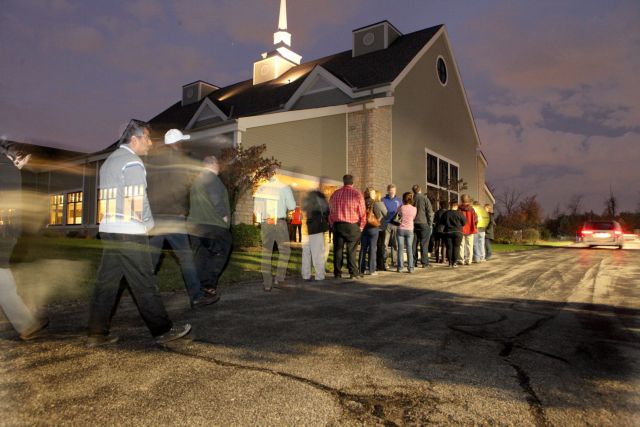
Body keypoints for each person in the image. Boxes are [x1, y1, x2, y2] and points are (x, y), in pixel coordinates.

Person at [87, 121, 191, 347]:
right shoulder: (133, 162)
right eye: (146, 138)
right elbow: (137, 199)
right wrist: (148, 224)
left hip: (110, 230)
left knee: (106, 282)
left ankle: (97, 332)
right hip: (130, 230)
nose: (150, 143)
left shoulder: (109, 162)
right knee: (144, 281)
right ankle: (162, 330)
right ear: (134, 140)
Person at [146, 129, 217, 307]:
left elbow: (146, 187)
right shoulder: (180, 162)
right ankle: (196, 296)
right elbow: (183, 188)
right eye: (181, 142)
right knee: (186, 259)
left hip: (155, 217)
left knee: (151, 261)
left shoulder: (152, 161)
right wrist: (183, 210)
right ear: (177, 143)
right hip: (173, 218)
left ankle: (146, 299)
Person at [0, 142, 49, 340]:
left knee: (4, 283)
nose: (26, 163)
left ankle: (27, 325)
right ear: (17, 156)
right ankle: (27, 325)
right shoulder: (10, 171)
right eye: (26, 159)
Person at [188, 155, 232, 300]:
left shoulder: (197, 179)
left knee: (202, 256)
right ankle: (208, 285)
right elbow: (215, 197)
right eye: (218, 164)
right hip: (213, 225)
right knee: (221, 252)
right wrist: (224, 216)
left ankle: (199, 288)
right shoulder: (212, 177)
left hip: (196, 226)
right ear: (214, 164)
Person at [254, 171, 296, 291]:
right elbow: (292, 206)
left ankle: (267, 283)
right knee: (285, 251)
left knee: (266, 252)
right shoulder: (284, 187)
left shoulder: (261, 188)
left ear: (266, 175)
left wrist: (260, 222)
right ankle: (279, 278)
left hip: (266, 222)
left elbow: (257, 209)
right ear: (276, 174)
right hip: (279, 223)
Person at [328, 174, 366, 279]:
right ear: (352, 182)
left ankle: (337, 273)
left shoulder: (335, 194)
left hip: (338, 225)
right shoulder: (357, 194)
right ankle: (353, 272)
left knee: (338, 250)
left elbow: (330, 211)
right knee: (352, 250)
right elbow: (362, 213)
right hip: (352, 226)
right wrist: (361, 227)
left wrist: (332, 223)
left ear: (343, 181)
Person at [301, 183, 330, 281]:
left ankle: (305, 274)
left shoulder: (306, 201)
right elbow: (327, 211)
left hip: (305, 229)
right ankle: (319, 275)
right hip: (316, 229)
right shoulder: (319, 200)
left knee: (306, 253)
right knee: (317, 254)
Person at [359, 188, 387, 275]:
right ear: (371, 194)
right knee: (372, 248)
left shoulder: (361, 202)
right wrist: (376, 221)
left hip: (363, 228)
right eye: (373, 193)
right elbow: (379, 215)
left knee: (363, 248)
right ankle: (371, 270)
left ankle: (361, 269)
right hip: (373, 228)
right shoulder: (374, 203)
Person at [377, 184, 402, 270]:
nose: (392, 192)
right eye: (390, 190)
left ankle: (394, 262)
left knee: (395, 244)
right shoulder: (383, 200)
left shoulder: (399, 201)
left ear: (395, 191)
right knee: (385, 244)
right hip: (386, 224)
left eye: (393, 190)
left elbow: (401, 212)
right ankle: (384, 261)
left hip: (395, 224)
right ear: (388, 191)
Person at [411, 185, 434, 268]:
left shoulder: (411, 199)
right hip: (424, 223)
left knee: (414, 244)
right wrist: (430, 224)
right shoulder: (425, 199)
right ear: (420, 190)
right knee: (424, 243)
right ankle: (424, 263)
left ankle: (413, 262)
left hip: (413, 224)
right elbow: (429, 212)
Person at [396, 192, 417, 273]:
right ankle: (410, 268)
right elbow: (413, 218)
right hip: (410, 230)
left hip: (401, 229)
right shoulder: (414, 209)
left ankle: (400, 267)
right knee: (409, 249)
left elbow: (398, 215)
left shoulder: (401, 207)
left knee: (400, 249)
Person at [441, 201, 466, 268]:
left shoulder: (446, 213)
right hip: (458, 232)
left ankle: (449, 263)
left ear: (450, 205)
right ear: (456, 206)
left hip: (448, 232)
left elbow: (442, 222)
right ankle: (454, 262)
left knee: (449, 248)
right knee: (456, 247)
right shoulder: (460, 213)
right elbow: (464, 223)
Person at [458, 194, 478, 265]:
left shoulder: (459, 209)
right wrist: (475, 226)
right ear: (468, 200)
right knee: (469, 245)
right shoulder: (472, 209)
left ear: (461, 200)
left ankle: (461, 260)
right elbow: (476, 219)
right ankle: (469, 260)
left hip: (461, 228)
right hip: (470, 229)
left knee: (461, 245)